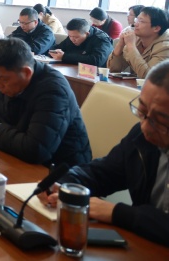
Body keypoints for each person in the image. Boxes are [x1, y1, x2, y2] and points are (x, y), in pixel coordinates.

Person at [37, 60, 169, 247]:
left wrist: (116, 213)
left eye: (160, 121)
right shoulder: (142, 136)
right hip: (145, 245)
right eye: (142, 111)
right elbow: (103, 172)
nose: (145, 126)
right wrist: (65, 183)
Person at [0, 37, 91, 167]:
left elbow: (37, 150)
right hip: (18, 159)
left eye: (3, 79)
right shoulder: (9, 81)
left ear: (26, 72)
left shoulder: (53, 90)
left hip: (62, 170)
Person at [107, 6, 169, 78]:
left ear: (156, 28)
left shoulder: (165, 47)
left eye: (141, 21)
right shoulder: (137, 39)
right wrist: (120, 44)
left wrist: (131, 46)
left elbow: (149, 77)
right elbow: (112, 70)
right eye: (136, 20)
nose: (135, 24)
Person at [48, 18, 113, 67]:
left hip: (97, 75)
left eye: (76, 37)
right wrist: (53, 52)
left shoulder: (102, 39)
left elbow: (96, 61)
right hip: (74, 70)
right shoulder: (73, 35)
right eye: (69, 36)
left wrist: (64, 57)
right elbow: (59, 47)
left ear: (87, 34)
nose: (72, 39)